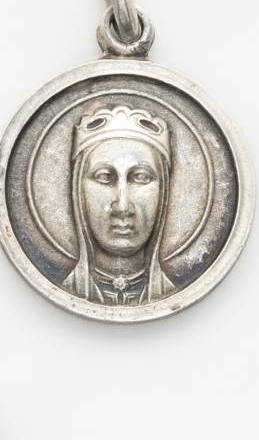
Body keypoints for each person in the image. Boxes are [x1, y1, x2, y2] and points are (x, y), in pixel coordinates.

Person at [61, 103, 177, 306]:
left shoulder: (172, 294)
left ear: (164, 191)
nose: (122, 208)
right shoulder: (64, 290)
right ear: (78, 190)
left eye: (140, 177)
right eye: (104, 177)